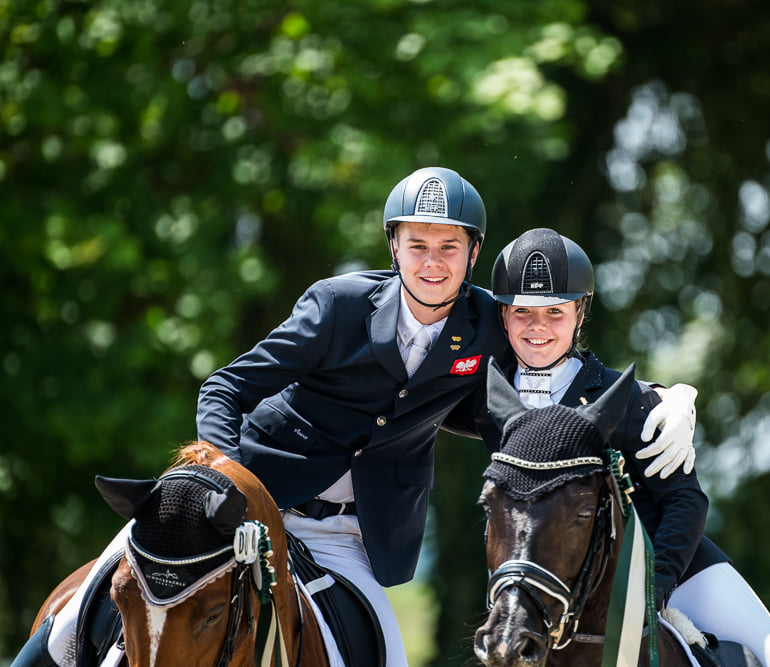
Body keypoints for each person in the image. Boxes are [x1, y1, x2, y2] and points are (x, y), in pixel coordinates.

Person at [12, 167, 694, 667]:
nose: (433, 263)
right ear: (393, 246)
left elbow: (561, 381)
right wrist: (225, 483)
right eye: (417, 244)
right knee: (103, 585)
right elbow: (225, 386)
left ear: (474, 252)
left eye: (449, 247)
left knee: (389, 654)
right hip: (256, 502)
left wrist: (666, 397)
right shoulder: (336, 305)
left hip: (351, 535)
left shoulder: (494, 320)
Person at [460, 227, 770, 667]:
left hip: (677, 573)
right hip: (553, 591)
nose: (538, 327)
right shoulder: (492, 402)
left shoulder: (630, 402)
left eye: (555, 312)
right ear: (504, 315)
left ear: (580, 314)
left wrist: (651, 589)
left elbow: (685, 500)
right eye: (523, 312)